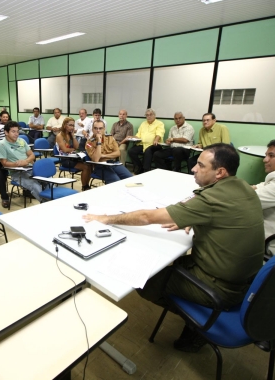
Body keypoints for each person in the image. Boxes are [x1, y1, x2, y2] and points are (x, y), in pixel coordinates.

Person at [83, 143, 264, 352]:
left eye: (200, 165)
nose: (193, 169)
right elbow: (223, 215)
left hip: (220, 288)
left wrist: (106, 219)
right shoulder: (244, 187)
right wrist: (192, 217)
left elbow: (146, 217)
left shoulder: (211, 200)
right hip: (245, 280)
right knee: (168, 261)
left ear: (220, 172)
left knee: (145, 280)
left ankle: (197, 325)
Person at [0, 121, 46, 202]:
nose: (16, 134)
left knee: (48, 181)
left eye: (17, 131)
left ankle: (53, 200)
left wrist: (26, 161)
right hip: (17, 173)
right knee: (35, 185)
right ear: (6, 132)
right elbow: (4, 163)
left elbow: (32, 155)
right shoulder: (1, 144)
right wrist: (18, 164)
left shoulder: (21, 141)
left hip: (30, 168)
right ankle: (46, 203)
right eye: (13, 131)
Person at [85, 120, 132, 184]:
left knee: (131, 178)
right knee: (116, 181)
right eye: (95, 128)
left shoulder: (110, 138)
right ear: (92, 129)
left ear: (104, 129)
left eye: (100, 128)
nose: (98, 130)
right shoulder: (89, 142)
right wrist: (99, 141)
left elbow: (118, 153)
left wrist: (103, 156)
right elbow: (96, 159)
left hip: (113, 163)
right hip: (100, 166)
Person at [56, 117, 93, 191]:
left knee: (90, 165)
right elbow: (65, 150)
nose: (72, 127)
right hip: (65, 159)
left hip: (73, 158)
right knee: (85, 167)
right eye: (70, 125)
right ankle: (84, 187)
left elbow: (77, 147)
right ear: (65, 125)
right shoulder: (60, 136)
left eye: (73, 125)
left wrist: (73, 136)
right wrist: (72, 149)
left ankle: (87, 185)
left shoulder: (70, 135)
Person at [125, 108, 165, 174]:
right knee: (131, 151)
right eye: (147, 115)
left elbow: (159, 133)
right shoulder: (143, 124)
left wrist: (156, 140)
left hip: (154, 145)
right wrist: (132, 137)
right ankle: (140, 166)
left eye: (150, 115)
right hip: (142, 144)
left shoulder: (159, 123)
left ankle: (146, 170)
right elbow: (138, 135)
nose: (149, 116)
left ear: (154, 115)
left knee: (148, 151)